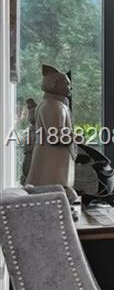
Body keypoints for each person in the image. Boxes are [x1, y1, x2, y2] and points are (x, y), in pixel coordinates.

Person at [25, 65, 77, 201]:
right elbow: (55, 136)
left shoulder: (51, 104)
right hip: (53, 160)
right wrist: (75, 137)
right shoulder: (53, 106)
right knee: (54, 192)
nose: (69, 87)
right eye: (66, 83)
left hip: (52, 158)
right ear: (54, 85)